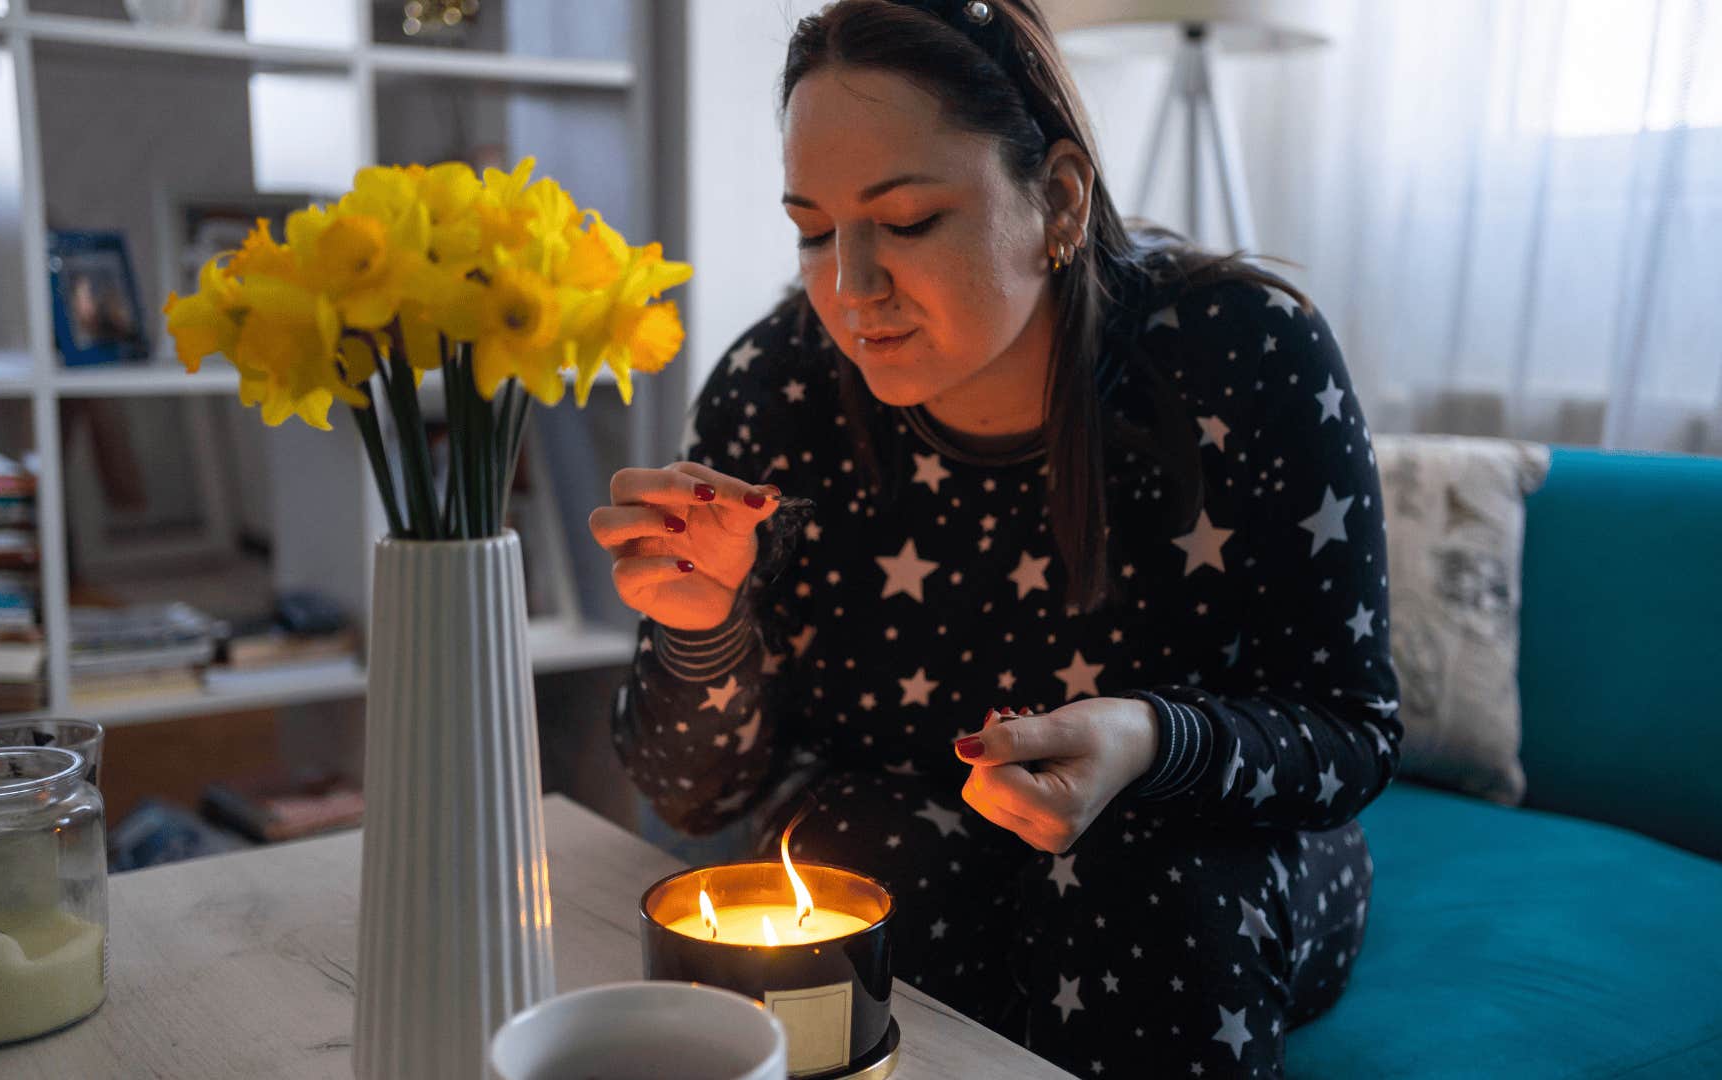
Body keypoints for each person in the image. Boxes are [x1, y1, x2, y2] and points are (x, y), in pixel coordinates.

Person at [589, 2, 1400, 1075]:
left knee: (1145, 881)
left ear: (1058, 198)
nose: (850, 286)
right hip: (904, 829)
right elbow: (694, 795)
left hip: (1211, 841)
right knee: (860, 867)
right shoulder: (773, 392)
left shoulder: (1245, 355)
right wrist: (701, 631)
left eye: (911, 218)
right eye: (815, 230)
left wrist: (1154, 740)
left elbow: (1350, 729)